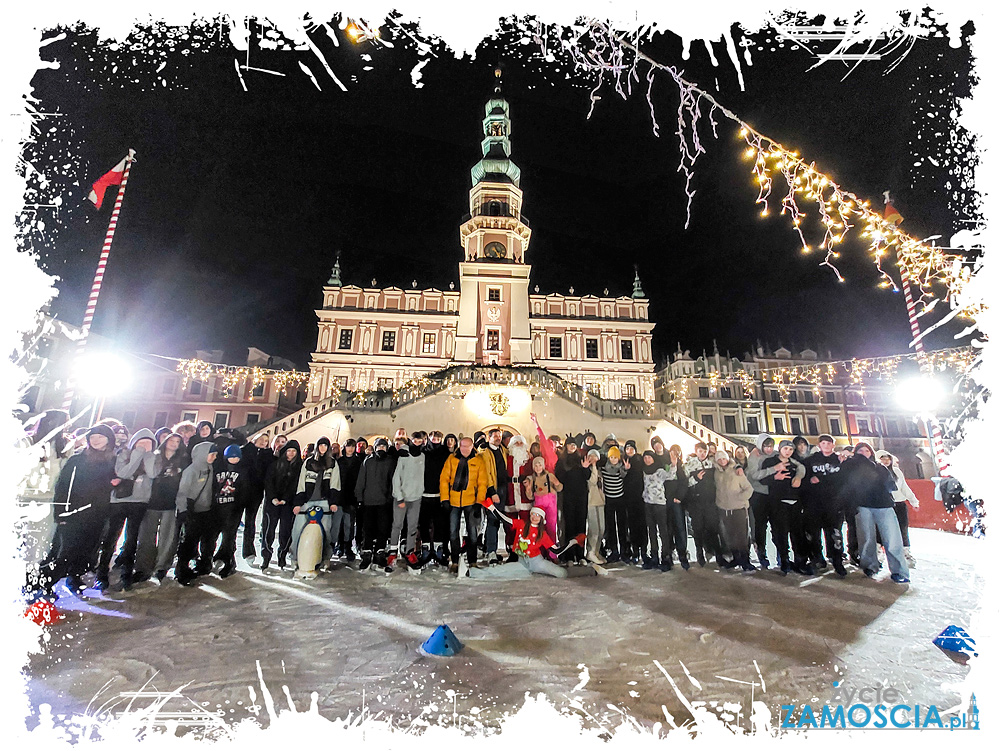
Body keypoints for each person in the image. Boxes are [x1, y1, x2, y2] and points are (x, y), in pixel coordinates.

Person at [27, 424, 117, 599]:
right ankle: (36, 585)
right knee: (63, 555)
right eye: (93, 436)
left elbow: (110, 486)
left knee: (83, 553)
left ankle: (70, 580)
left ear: (109, 440)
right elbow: (63, 486)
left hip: (97, 516)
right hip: (73, 515)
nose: (96, 440)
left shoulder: (112, 461)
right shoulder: (78, 460)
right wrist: (61, 513)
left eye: (101, 437)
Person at [96, 428, 158, 590]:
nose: (144, 445)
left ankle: (127, 572)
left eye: (148, 443)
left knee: (131, 539)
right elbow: (123, 472)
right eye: (141, 442)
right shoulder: (124, 454)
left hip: (140, 501)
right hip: (120, 500)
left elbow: (152, 474)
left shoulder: (153, 457)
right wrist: (137, 453)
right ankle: (102, 572)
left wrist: (148, 455)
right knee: (112, 537)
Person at [841, 442, 909, 583]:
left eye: (867, 450)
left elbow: (891, 485)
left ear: (871, 453)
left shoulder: (879, 467)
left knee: (892, 539)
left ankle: (899, 571)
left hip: (883, 505)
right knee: (866, 538)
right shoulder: (850, 466)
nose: (864, 453)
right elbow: (845, 483)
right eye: (860, 451)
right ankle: (870, 566)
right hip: (862, 505)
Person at [134, 432, 188, 582]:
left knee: (168, 538)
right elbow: (149, 474)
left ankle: (161, 567)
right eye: (172, 440)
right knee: (146, 536)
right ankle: (143, 568)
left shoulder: (182, 461)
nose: (174, 444)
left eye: (178, 441)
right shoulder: (155, 456)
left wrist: (182, 505)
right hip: (151, 502)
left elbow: (183, 484)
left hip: (170, 503)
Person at [439, 436, 489, 573]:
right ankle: (455, 561)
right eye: (462, 446)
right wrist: (445, 499)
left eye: (467, 446)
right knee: (453, 532)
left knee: (472, 533)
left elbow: (482, 483)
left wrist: (479, 502)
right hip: (454, 501)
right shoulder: (452, 459)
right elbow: (444, 479)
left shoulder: (478, 461)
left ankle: (472, 561)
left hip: (471, 501)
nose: (464, 449)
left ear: (472, 447)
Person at [801, 434, 848, 576]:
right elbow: (805, 478)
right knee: (814, 534)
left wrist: (821, 479)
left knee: (834, 533)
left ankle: (837, 560)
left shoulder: (840, 460)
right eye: (823, 443)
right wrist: (810, 481)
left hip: (834, 503)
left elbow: (843, 480)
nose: (826, 445)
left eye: (829, 443)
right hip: (814, 503)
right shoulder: (811, 460)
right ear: (819, 445)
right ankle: (817, 558)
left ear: (833, 445)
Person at [761, 440, 810, 575]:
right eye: (785, 448)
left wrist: (799, 479)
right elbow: (762, 479)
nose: (787, 451)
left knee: (797, 534)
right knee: (781, 533)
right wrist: (775, 477)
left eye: (790, 449)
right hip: (778, 502)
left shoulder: (795, 464)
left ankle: (800, 561)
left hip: (794, 502)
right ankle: (784, 560)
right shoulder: (770, 462)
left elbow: (802, 474)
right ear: (780, 449)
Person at [174, 441, 219, 585]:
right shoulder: (191, 470)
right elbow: (183, 492)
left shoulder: (210, 468)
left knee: (207, 539)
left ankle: (202, 564)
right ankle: (182, 569)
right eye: (212, 454)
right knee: (189, 541)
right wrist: (184, 510)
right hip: (193, 511)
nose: (214, 457)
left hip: (207, 510)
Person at [291, 437, 339, 569]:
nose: (322, 448)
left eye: (325, 446)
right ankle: (295, 557)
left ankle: (325, 558)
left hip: (324, 501)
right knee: (298, 529)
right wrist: (298, 503)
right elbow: (301, 483)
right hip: (308, 501)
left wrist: (333, 502)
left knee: (325, 532)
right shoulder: (308, 462)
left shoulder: (333, 463)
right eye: (321, 445)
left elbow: (335, 483)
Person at [684, 442, 728, 567]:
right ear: (696, 451)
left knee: (713, 528)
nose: (702, 454)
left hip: (710, 502)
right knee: (698, 529)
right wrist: (696, 479)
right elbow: (684, 483)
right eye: (700, 451)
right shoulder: (688, 465)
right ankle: (699, 553)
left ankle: (718, 555)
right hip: (696, 502)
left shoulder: (712, 463)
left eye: (704, 451)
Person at [262, 440, 303, 571]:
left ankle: (282, 555)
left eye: (294, 451)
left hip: (288, 504)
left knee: (285, 532)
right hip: (272, 503)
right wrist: (273, 498)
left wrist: (285, 499)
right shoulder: (274, 465)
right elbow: (268, 482)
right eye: (289, 451)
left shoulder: (299, 467)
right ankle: (266, 556)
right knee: (268, 531)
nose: (291, 454)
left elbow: (296, 485)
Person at [354, 438, 394, 570]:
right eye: (379, 446)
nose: (381, 449)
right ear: (375, 448)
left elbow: (392, 480)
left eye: (383, 447)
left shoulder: (389, 462)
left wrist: (390, 497)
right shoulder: (368, 461)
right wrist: (359, 498)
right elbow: (361, 480)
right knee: (368, 529)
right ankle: (367, 553)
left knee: (382, 529)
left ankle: (379, 553)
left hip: (384, 501)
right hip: (368, 501)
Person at [876, 451, 920, 568]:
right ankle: (879, 553)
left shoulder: (896, 472)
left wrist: (913, 500)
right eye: (882, 459)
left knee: (902, 528)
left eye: (887, 459)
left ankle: (905, 552)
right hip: (883, 505)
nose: (885, 461)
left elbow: (904, 487)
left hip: (899, 503)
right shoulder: (874, 472)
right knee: (881, 530)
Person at [714, 450, 756, 571]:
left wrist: (740, 499)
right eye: (720, 459)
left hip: (738, 509)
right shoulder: (716, 473)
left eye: (724, 459)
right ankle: (736, 558)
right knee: (730, 536)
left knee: (742, 535)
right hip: (724, 509)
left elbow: (749, 489)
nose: (722, 461)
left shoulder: (736, 471)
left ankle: (745, 560)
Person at [389, 432, 425, 569]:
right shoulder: (403, 455)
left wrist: (420, 491)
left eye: (419, 441)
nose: (417, 443)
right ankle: (393, 552)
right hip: (402, 497)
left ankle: (410, 551)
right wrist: (399, 496)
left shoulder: (422, 456)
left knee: (412, 527)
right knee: (397, 525)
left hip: (416, 497)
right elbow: (396, 477)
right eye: (415, 441)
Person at [212, 444, 248, 577]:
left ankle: (229, 561)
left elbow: (244, 490)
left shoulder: (242, 471)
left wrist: (239, 506)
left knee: (229, 537)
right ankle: (212, 558)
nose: (234, 459)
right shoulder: (218, 469)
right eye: (231, 457)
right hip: (218, 507)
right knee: (213, 535)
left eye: (236, 457)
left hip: (233, 508)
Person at [747, 433, 780, 570]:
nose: (769, 449)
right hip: (758, 493)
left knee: (777, 525)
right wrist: (773, 470)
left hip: (773, 493)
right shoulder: (754, 456)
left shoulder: (775, 454)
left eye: (771, 446)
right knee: (761, 525)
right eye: (766, 446)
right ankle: (761, 552)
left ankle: (781, 554)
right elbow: (754, 475)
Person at [555, 436, 588, 564]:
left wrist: (585, 468)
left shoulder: (581, 459)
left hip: (581, 496)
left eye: (574, 445)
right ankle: (569, 555)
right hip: (568, 496)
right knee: (569, 526)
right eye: (570, 445)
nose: (572, 447)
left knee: (581, 525)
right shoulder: (561, 461)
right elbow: (560, 478)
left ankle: (580, 555)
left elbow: (587, 477)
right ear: (566, 446)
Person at [240, 433, 273, 561]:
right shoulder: (246, 451)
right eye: (261, 439)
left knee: (250, 521)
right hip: (241, 490)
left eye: (266, 440)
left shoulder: (268, 455)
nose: (263, 442)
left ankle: (248, 551)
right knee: (234, 521)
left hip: (256, 492)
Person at [480, 427, 510, 565]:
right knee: (492, 520)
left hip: (504, 489)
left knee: (500, 521)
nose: (498, 438)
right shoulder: (485, 453)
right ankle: (491, 550)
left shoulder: (502, 450)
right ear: (489, 437)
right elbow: (486, 474)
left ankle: (492, 548)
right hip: (495, 491)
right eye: (495, 436)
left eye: (499, 436)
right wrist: (492, 492)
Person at [640, 450, 673, 572]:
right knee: (651, 531)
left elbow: (670, 476)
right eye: (645, 457)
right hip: (648, 503)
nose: (647, 459)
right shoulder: (643, 470)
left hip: (659, 504)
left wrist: (674, 464)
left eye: (649, 457)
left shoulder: (659, 471)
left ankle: (666, 557)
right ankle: (654, 556)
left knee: (663, 531)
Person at [504, 435, 533, 563]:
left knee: (526, 524)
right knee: (511, 525)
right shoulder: (507, 458)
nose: (519, 444)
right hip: (510, 494)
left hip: (524, 494)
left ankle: (525, 550)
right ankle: (512, 551)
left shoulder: (529, 459)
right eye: (516, 443)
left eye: (521, 442)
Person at [523, 455, 562, 544]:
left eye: (540, 465)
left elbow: (559, 488)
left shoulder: (549, 476)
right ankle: (540, 549)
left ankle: (552, 551)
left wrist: (557, 484)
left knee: (551, 526)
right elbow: (530, 497)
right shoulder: (532, 478)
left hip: (550, 503)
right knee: (539, 526)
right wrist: (528, 489)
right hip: (538, 503)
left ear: (543, 466)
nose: (538, 468)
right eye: (536, 466)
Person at [334, 438, 362, 562]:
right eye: (348, 446)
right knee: (339, 522)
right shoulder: (339, 462)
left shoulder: (358, 461)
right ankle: (339, 545)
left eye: (352, 446)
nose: (350, 449)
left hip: (352, 497)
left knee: (349, 523)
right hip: (340, 496)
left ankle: (348, 546)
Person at [600, 446, 628, 563]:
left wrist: (626, 469)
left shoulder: (622, 468)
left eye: (615, 457)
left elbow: (624, 476)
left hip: (620, 499)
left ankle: (624, 551)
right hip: (609, 500)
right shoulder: (604, 469)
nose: (613, 459)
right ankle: (614, 551)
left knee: (622, 526)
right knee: (611, 527)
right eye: (611, 457)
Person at [663, 444, 690, 570]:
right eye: (672, 452)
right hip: (664, 501)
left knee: (679, 528)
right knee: (667, 529)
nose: (674, 455)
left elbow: (684, 482)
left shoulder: (680, 466)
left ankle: (682, 555)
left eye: (676, 453)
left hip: (676, 502)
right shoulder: (664, 464)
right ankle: (668, 554)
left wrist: (679, 497)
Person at [622, 439, 647, 565]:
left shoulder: (640, 461)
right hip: (629, 499)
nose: (629, 451)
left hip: (641, 498)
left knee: (642, 525)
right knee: (632, 525)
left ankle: (644, 551)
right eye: (627, 449)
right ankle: (635, 551)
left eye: (631, 449)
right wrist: (626, 470)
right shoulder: (623, 462)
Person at [584, 449, 606, 564]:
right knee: (594, 529)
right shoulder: (587, 470)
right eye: (590, 456)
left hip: (601, 501)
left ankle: (596, 551)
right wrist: (592, 467)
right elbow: (592, 481)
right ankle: (590, 551)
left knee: (602, 528)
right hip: (591, 502)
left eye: (595, 457)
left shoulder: (601, 470)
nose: (593, 459)